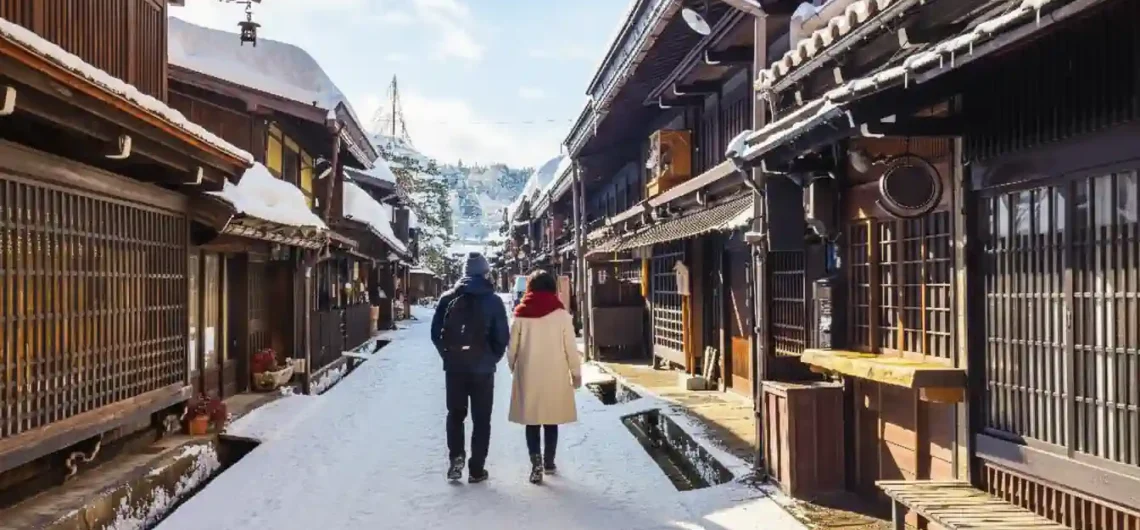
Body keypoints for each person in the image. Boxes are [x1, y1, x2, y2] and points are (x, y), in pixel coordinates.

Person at [431, 252, 509, 484]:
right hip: (483, 369)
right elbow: (502, 336)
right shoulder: (493, 301)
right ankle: (476, 469)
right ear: (485, 272)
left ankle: (456, 459)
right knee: (481, 418)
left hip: (455, 367)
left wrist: (447, 355)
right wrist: (491, 357)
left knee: (455, 414)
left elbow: (436, 333)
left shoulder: (447, 298)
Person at [507, 269, 582, 485]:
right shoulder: (561, 315)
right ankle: (549, 462)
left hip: (528, 372)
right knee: (551, 420)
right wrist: (575, 374)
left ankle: (536, 463)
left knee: (532, 421)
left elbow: (512, 348)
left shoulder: (521, 314)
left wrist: (514, 368)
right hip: (555, 374)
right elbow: (571, 348)